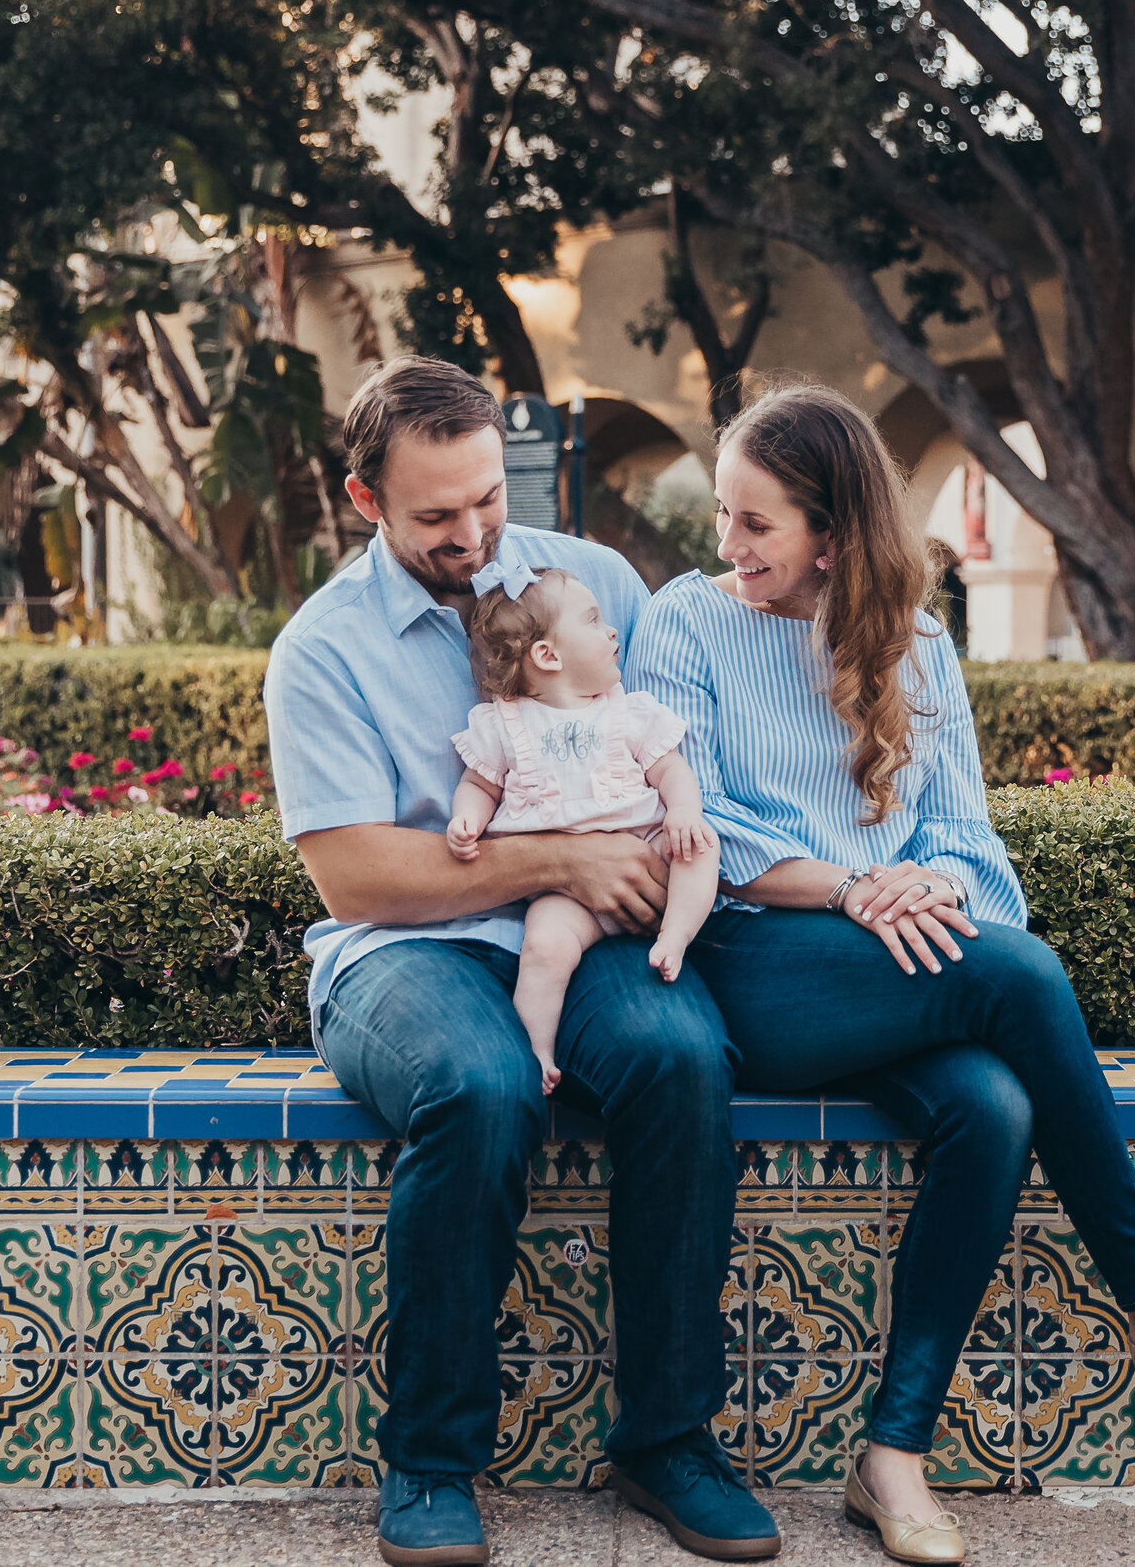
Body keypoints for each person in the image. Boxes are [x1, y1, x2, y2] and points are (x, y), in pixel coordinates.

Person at [630, 384, 1135, 1565]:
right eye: (726, 516)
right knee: (1026, 977)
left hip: (899, 956)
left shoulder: (916, 640)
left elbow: (964, 840)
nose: (725, 544)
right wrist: (850, 886)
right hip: (756, 959)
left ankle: (892, 1453)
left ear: (833, 534)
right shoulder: (684, 621)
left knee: (991, 1109)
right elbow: (699, 827)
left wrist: (921, 890)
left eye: (756, 523)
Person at [264, 356, 781, 1567]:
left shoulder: (591, 580)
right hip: (403, 953)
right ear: (364, 498)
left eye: (486, 497)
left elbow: (663, 756)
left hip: (588, 925)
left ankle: (669, 1439)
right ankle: (432, 1460)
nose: (473, 532)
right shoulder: (321, 651)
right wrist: (554, 859)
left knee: (678, 1054)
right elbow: (358, 877)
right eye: (436, 514)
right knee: (483, 1087)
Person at [448, 561, 723, 1092]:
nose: (612, 630)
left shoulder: (629, 712)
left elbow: (671, 770)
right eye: (594, 621)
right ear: (547, 656)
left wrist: (684, 811)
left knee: (700, 848)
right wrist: (468, 819)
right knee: (545, 948)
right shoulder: (505, 722)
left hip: (645, 851)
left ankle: (675, 936)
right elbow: (480, 785)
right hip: (564, 892)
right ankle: (539, 1048)